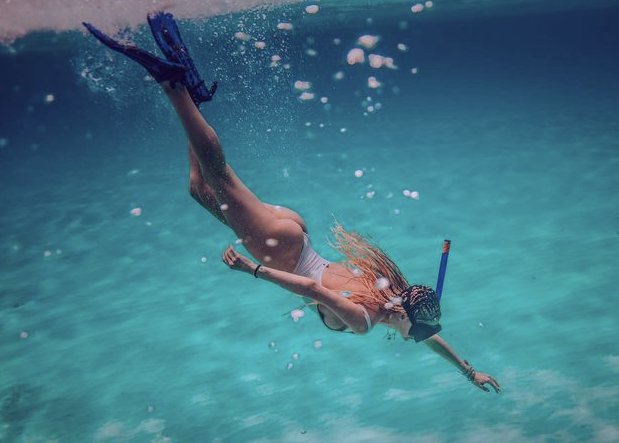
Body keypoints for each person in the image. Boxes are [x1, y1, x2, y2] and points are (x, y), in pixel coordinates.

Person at [83, 12, 501, 393]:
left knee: (200, 189)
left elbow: (431, 338)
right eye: (419, 332)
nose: (417, 339)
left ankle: (192, 96)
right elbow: (310, 287)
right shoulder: (364, 321)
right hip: (279, 251)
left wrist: (468, 372)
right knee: (218, 174)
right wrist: (253, 270)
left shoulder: (390, 290)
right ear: (407, 316)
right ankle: (173, 86)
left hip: (295, 234)